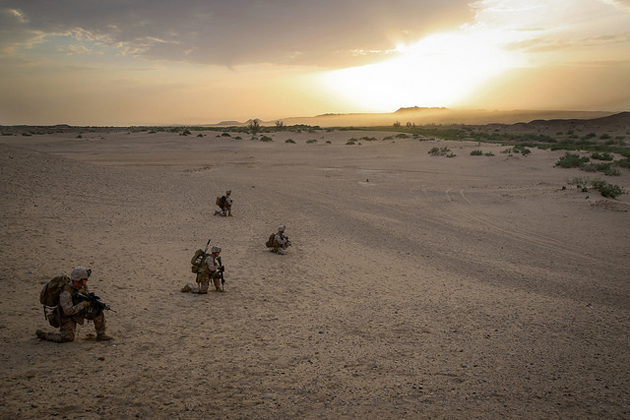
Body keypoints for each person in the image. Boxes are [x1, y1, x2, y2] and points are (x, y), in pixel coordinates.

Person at [36, 267, 113, 342]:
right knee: (67, 338)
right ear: (79, 280)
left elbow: (86, 296)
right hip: (67, 316)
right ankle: (45, 335)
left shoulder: (82, 286)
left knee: (97, 310)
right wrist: (83, 305)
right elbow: (68, 311)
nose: (87, 281)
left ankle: (101, 334)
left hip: (79, 309)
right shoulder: (66, 293)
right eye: (85, 279)